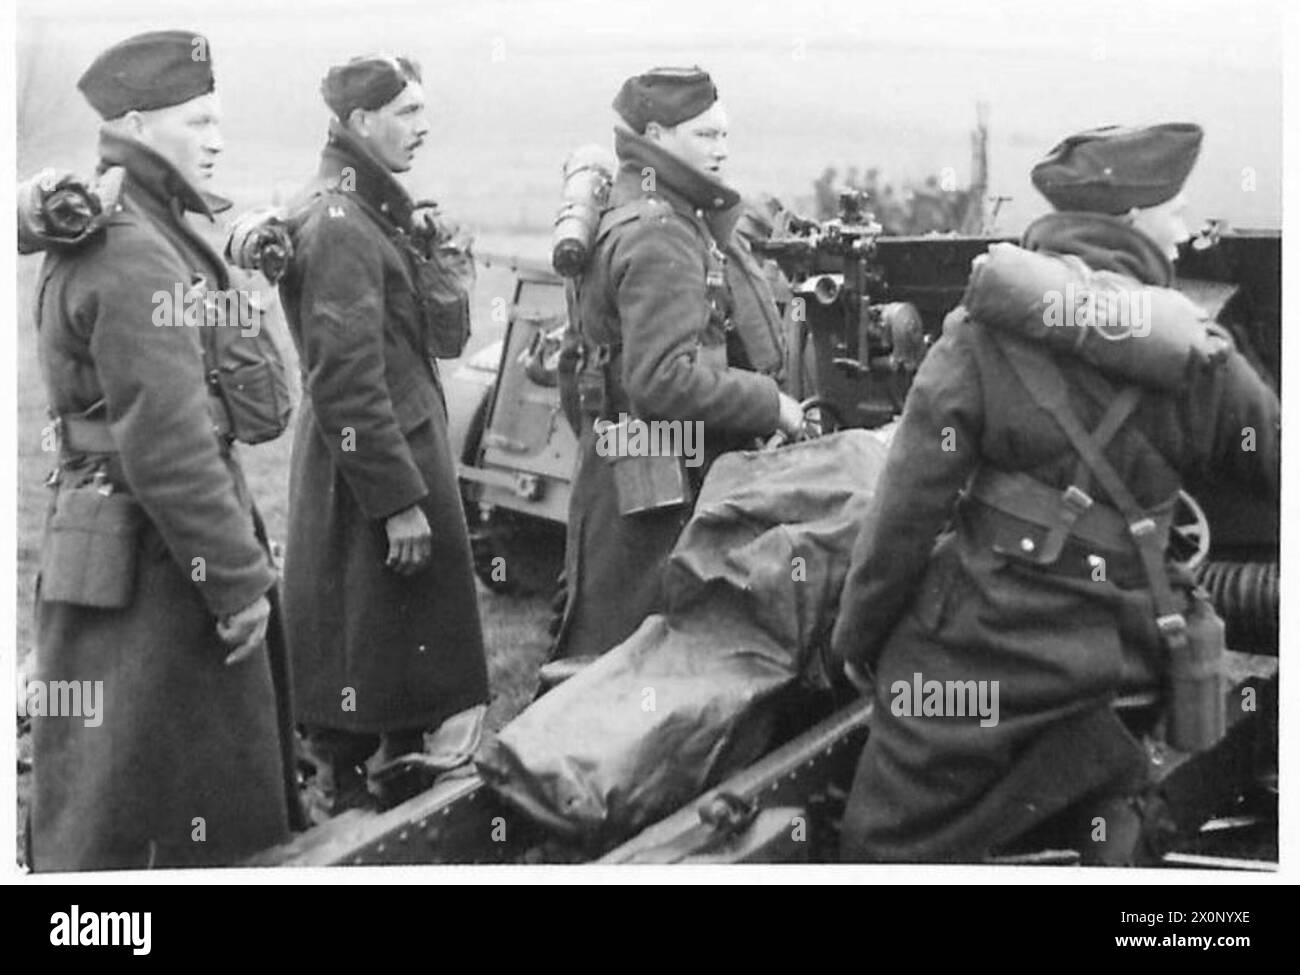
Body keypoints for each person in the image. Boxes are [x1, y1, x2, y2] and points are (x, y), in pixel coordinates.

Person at [830, 123, 1280, 862]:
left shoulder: (974, 338)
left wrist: (858, 641)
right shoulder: (1201, 358)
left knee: (880, 841)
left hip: (977, 667)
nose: (1187, 231)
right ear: (1131, 222)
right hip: (1122, 671)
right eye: (1173, 211)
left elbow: (902, 521)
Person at [28, 30, 301, 869]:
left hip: (116, 549)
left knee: (109, 785)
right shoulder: (138, 254)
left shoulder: (137, 233)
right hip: (159, 566)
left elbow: (255, 406)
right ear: (140, 127)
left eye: (220, 120)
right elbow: (172, 448)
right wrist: (236, 583)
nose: (218, 138)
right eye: (198, 120)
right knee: (176, 797)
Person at [276, 55, 489, 814]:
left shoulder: (371, 210)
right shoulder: (339, 223)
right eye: (406, 112)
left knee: (392, 657)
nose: (423, 126)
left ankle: (392, 789)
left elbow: (436, 338)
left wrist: (440, 259)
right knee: (355, 656)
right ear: (361, 123)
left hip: (392, 448)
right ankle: (337, 810)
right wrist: (397, 500)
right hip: (368, 468)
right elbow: (345, 380)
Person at [553, 66, 806, 661]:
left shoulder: (633, 207)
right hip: (662, 479)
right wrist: (773, 405)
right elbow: (661, 380)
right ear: (658, 137)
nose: (722, 149)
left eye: (724, 135)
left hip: (631, 463)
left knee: (608, 639)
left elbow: (580, 364)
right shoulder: (661, 231)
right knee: (640, 655)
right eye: (706, 136)